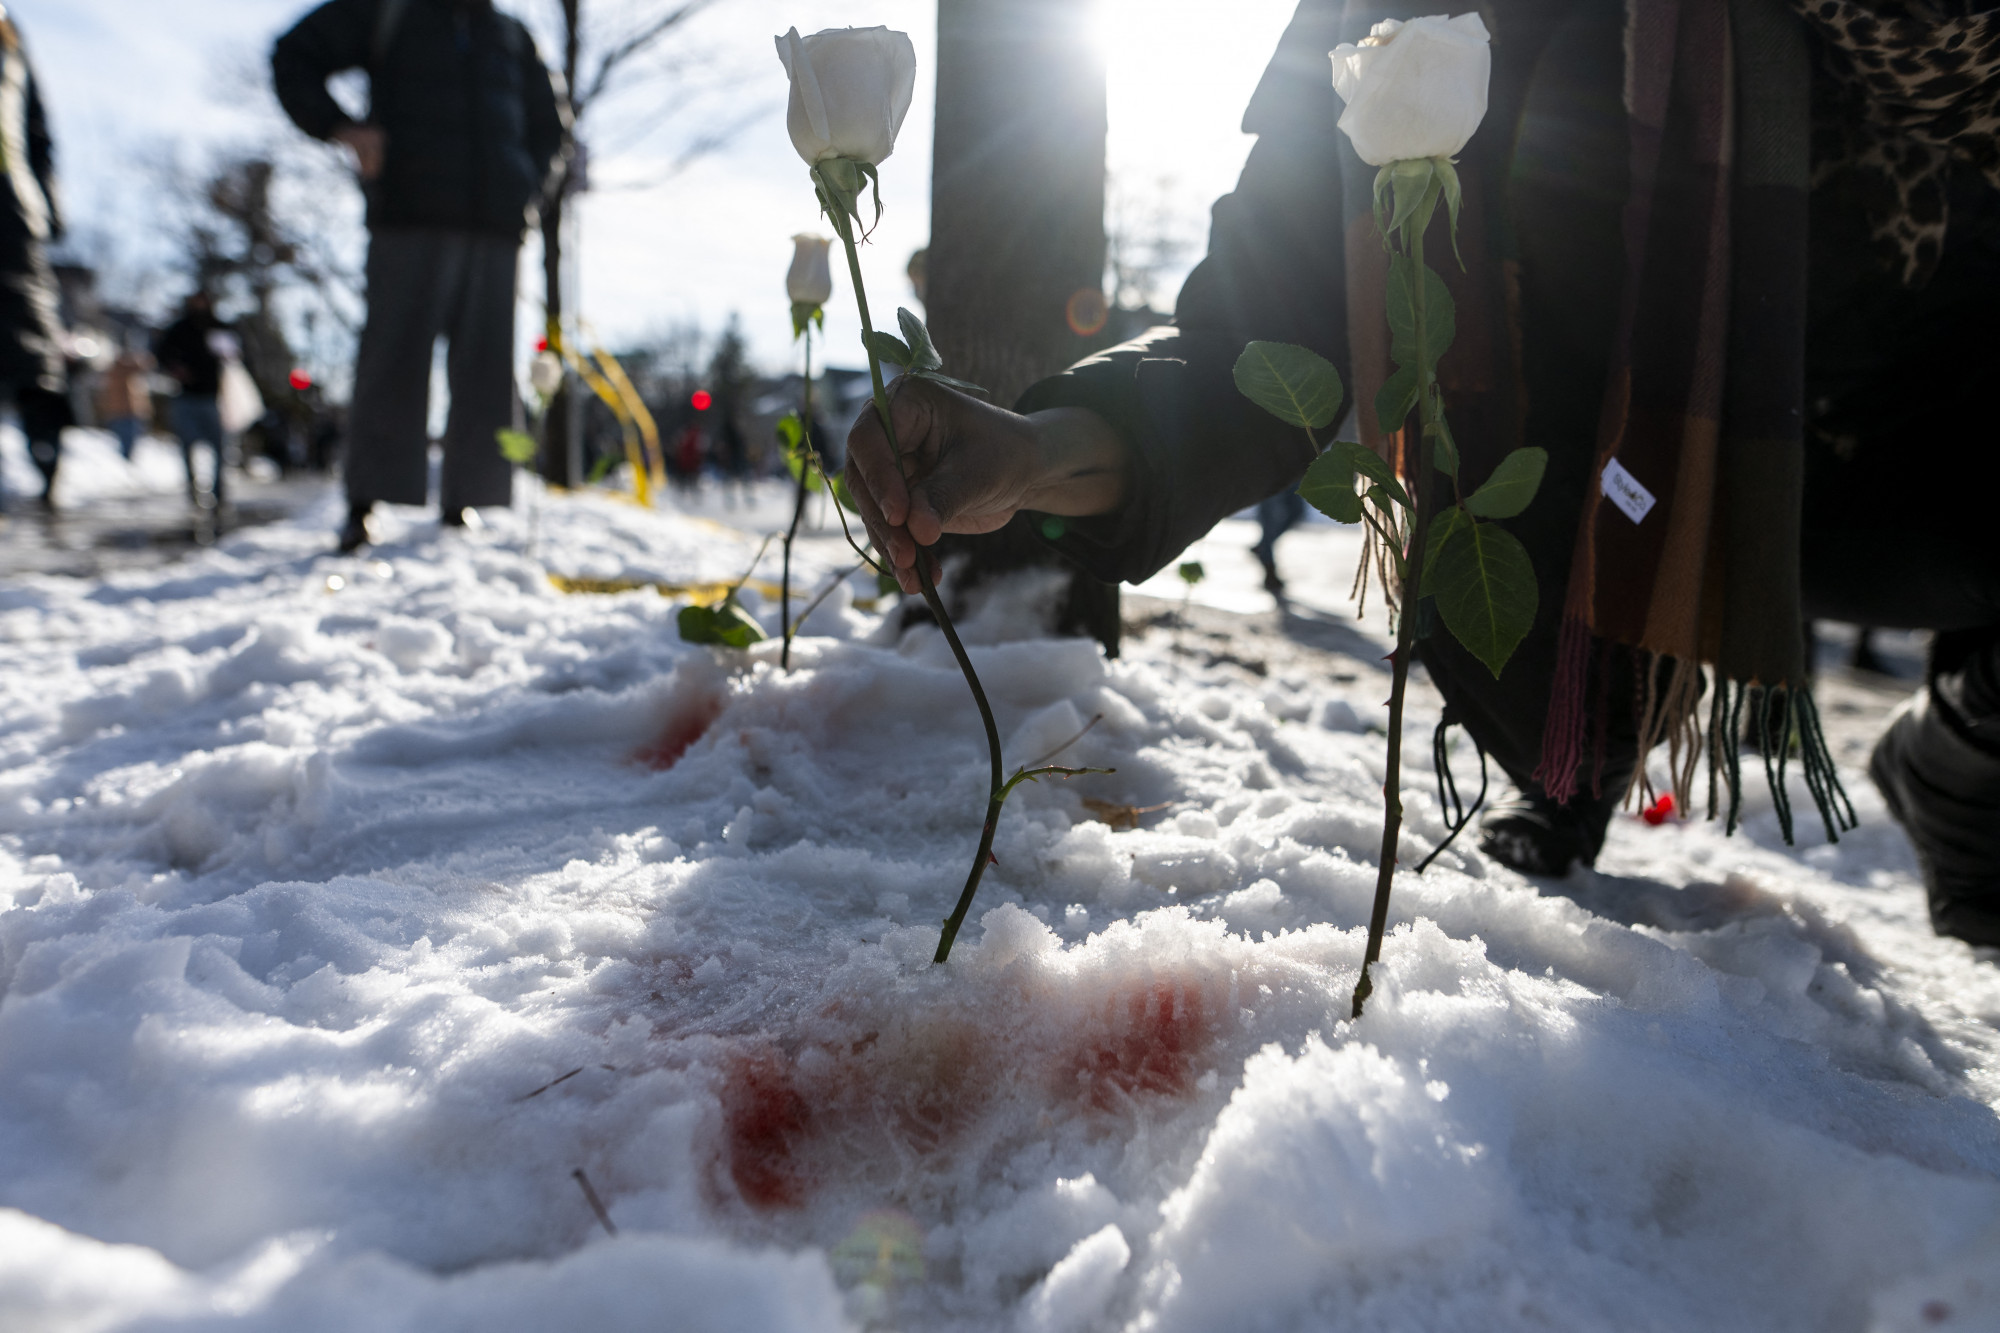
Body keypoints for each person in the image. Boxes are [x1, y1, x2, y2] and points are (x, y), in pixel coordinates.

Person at [842, 0, 2000, 948]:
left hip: (1911, 473)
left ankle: (1963, 755)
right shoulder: (1401, 20)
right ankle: (1569, 753)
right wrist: (1042, 448)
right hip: (1612, 509)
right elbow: (1256, 333)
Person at [271, 0, 566, 553]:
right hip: (408, 212)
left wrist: (526, 188)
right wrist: (340, 127)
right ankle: (366, 501)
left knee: (487, 368)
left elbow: (552, 127)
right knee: (392, 358)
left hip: (496, 225)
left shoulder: (511, 34)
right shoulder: (388, 11)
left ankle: (469, 499)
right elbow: (294, 55)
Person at [0, 7, 69, 514]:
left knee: (30, 348)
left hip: (12, 209)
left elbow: (37, 131)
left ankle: (47, 461)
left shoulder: (11, 35)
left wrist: (48, 202)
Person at [154, 291, 233, 513]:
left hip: (213, 396)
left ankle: (219, 493)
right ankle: (193, 490)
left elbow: (236, 354)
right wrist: (174, 369)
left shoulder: (219, 327)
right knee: (187, 445)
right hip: (185, 396)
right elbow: (161, 353)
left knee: (219, 447)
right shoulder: (179, 328)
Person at [96, 341, 153, 461]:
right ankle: (125, 463)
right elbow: (146, 364)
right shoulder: (123, 369)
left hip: (121, 412)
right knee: (127, 441)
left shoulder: (112, 370)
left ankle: (125, 462)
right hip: (126, 412)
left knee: (127, 441)